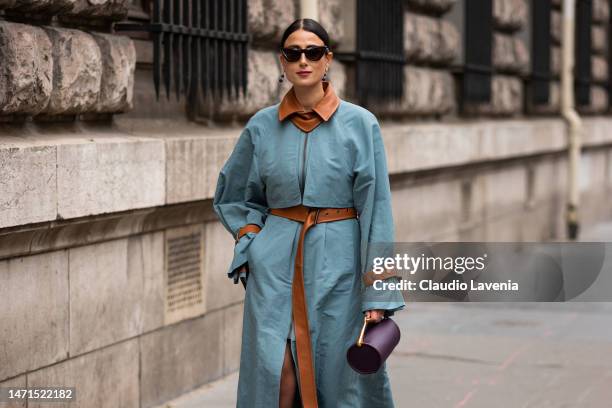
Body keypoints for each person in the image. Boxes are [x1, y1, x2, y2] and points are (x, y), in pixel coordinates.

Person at [213, 18, 406, 408]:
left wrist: (378, 292)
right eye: (293, 52)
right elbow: (235, 195)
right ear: (282, 62)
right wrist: (251, 240)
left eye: (313, 52)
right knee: (275, 374)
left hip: (340, 267)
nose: (304, 60)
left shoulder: (360, 124)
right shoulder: (261, 127)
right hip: (274, 265)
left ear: (327, 59)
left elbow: (376, 209)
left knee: (338, 380)